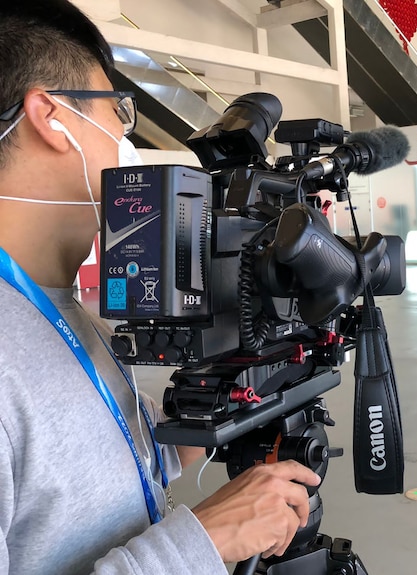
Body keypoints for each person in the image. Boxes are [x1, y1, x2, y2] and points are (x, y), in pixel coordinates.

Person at [0, 2, 320, 573]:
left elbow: (88, 462)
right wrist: (205, 540)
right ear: (51, 116)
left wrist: (218, 407)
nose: (124, 136)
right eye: (117, 111)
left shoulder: (58, 305)